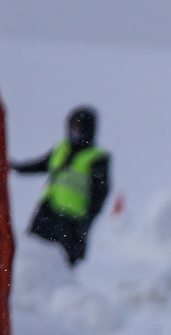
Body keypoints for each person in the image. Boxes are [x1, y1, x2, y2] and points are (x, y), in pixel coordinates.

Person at [12, 106, 112, 267]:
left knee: (62, 266)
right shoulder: (62, 148)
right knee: (31, 254)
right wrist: (17, 168)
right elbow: (42, 164)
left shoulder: (97, 158)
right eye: (73, 126)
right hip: (48, 211)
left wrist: (86, 223)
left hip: (72, 220)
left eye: (80, 127)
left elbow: (100, 194)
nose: (75, 131)